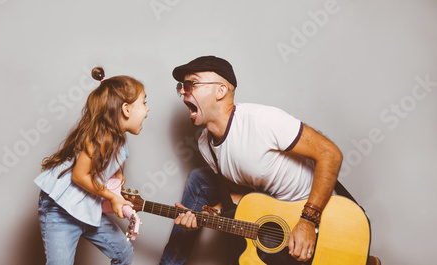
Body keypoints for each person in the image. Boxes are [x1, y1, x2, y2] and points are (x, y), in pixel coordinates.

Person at [159, 56, 343, 264]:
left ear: (220, 91)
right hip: (276, 227)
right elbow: (243, 194)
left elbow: (330, 153)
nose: (183, 91)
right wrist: (207, 215)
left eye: (191, 84)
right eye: (181, 86)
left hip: (318, 219)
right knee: (199, 177)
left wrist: (308, 221)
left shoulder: (262, 121)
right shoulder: (205, 144)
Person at [34, 66, 149, 265]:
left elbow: (113, 162)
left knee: (124, 253)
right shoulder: (99, 138)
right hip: (60, 210)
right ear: (126, 109)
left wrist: (119, 176)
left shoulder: (119, 140)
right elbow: (79, 176)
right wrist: (112, 197)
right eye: (144, 103)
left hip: (87, 206)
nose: (147, 110)